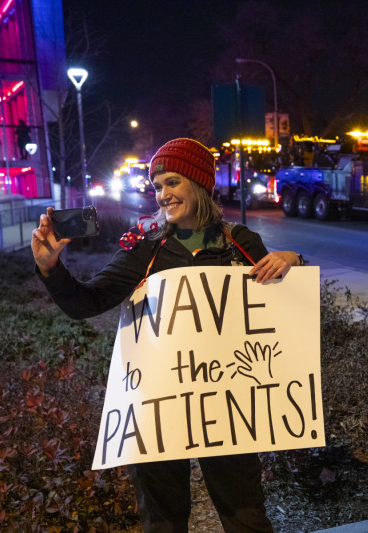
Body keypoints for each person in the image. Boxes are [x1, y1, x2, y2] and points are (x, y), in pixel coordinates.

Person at [32, 138, 304, 532]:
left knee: (246, 517)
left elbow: (281, 303)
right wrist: (51, 268)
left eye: (172, 182)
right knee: (163, 522)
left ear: (199, 184)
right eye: (157, 186)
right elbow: (85, 304)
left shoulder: (238, 242)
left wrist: (293, 260)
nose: (163, 195)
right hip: (157, 404)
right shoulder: (145, 246)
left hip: (227, 403)